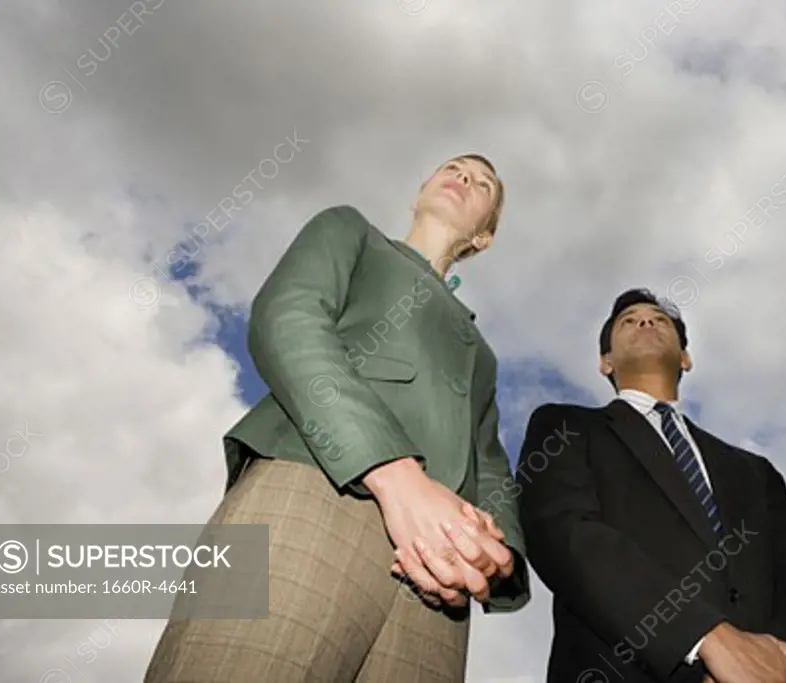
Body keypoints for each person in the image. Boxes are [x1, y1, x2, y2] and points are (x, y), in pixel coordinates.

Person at [144, 154, 530, 683]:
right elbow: (288, 319)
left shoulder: (481, 352)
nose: (464, 178)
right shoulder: (350, 230)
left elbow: (488, 455)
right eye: (454, 169)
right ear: (419, 193)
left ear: (483, 237)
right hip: (315, 486)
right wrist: (394, 474)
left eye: (483, 183)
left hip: (438, 572)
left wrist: (494, 548)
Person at [516, 288, 786, 683]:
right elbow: (563, 534)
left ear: (686, 358)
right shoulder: (564, 426)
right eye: (628, 321)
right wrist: (706, 639)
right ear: (605, 362)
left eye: (659, 319)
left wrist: (776, 660)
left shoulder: (755, 471)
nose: (645, 322)